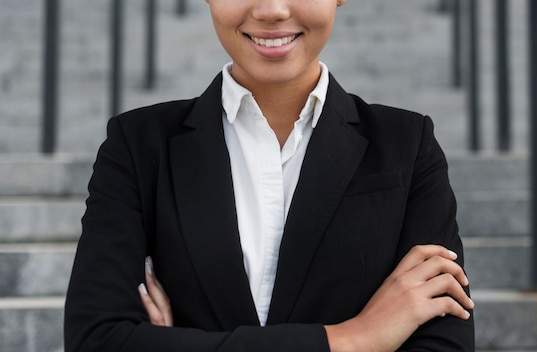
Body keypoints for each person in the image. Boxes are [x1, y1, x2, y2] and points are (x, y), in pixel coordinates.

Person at [64, 0, 475, 351]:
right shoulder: (137, 145)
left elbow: (445, 340)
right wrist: (353, 339)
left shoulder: (407, 144)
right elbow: (96, 339)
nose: (272, 11)